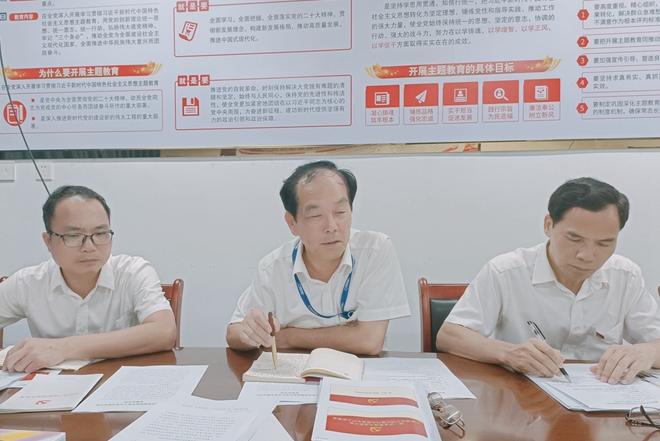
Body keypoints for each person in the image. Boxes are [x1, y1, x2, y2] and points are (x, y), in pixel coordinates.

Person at [436, 177, 660, 385]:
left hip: (603, 399)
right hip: (521, 396)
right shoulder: (505, 272)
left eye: (604, 243)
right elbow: (449, 336)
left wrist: (647, 352)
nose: (587, 255)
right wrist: (510, 353)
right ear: (548, 225)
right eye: (574, 239)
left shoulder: (626, 275)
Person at [0, 185, 176, 377]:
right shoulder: (28, 283)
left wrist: (63, 348)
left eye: (100, 233)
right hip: (48, 399)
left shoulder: (133, 272)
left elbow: (164, 331)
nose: (89, 246)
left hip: (120, 389)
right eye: (73, 235)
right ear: (48, 241)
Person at [226, 160, 410, 355]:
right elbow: (233, 333)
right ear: (292, 223)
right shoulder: (272, 268)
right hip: (297, 371)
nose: (331, 226)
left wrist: (287, 337)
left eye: (340, 212)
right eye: (315, 216)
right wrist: (249, 334)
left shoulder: (374, 251)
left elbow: (369, 342)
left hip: (360, 371)